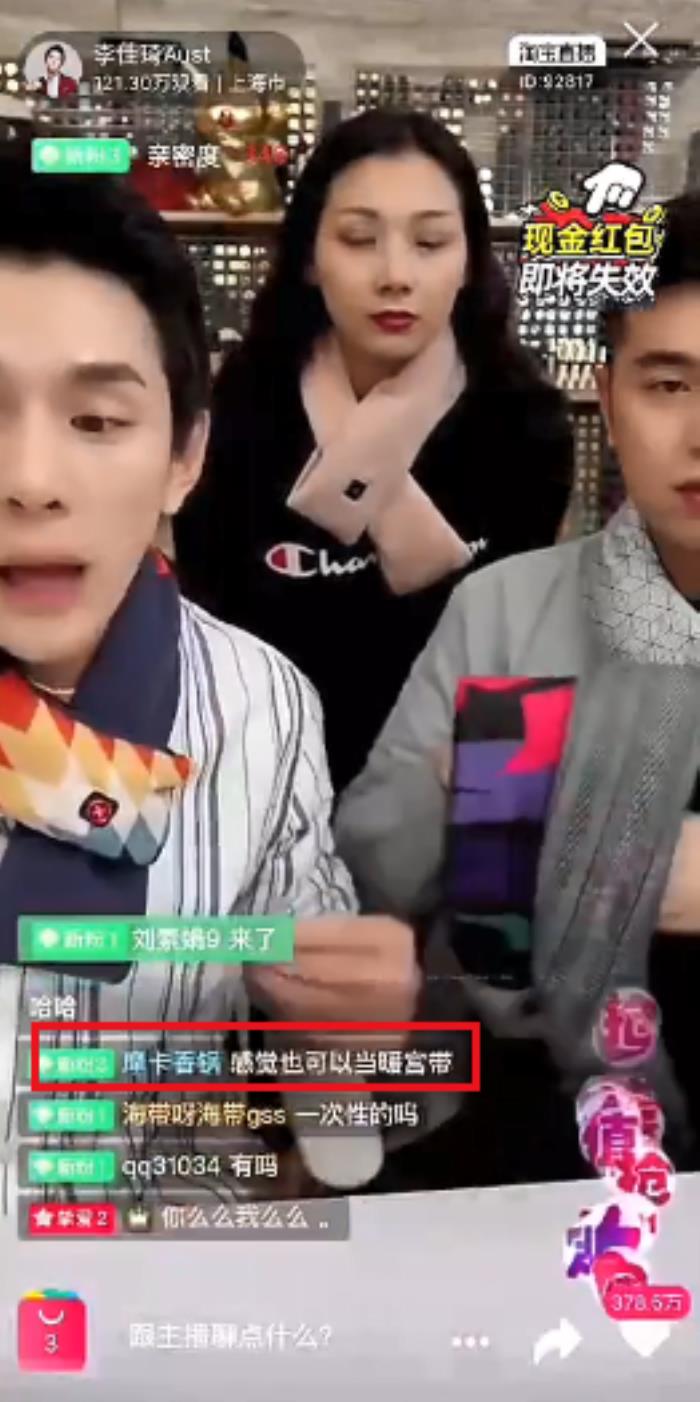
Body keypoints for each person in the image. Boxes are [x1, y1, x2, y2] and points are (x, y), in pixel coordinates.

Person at [0, 151, 418, 1218]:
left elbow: (328, 1126)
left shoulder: (260, 706)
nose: (32, 483)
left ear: (184, 455)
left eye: (97, 421)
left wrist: (343, 1047)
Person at [336, 192, 700, 1183]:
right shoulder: (505, 609)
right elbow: (366, 878)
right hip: (532, 1121)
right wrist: (461, 799)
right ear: (608, 397)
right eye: (669, 384)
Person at [175, 109, 574, 792]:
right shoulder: (237, 416)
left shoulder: (524, 427)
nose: (395, 275)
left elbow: (519, 673)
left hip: (448, 803)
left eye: (430, 242)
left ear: (469, 260)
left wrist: (490, 842)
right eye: (360, 239)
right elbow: (207, 647)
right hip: (258, 788)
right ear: (310, 257)